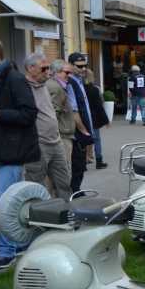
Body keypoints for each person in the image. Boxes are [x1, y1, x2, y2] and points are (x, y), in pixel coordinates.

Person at [0, 36, 40, 270]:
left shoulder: (12, 78)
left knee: (5, 202)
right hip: (4, 149)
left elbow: (29, 114)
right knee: (14, 201)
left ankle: (8, 251)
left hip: (14, 150)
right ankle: (22, 243)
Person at [22, 53, 71, 199]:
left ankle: (66, 213)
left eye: (48, 68)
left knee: (64, 182)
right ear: (31, 68)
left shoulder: (45, 84)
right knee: (36, 184)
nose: (48, 72)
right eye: (43, 69)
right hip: (38, 143)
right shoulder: (23, 87)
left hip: (56, 142)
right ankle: (37, 217)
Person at [66, 54, 95, 193]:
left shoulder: (79, 80)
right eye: (79, 66)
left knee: (80, 163)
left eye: (85, 65)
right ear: (70, 65)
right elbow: (74, 110)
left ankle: (76, 189)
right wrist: (84, 130)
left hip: (83, 127)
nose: (83, 69)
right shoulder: (70, 82)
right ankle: (74, 191)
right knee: (77, 163)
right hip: (76, 130)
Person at [80, 61, 110, 169]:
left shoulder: (79, 88)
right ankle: (99, 161)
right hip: (93, 119)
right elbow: (99, 106)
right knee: (96, 140)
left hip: (82, 118)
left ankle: (83, 163)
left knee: (83, 140)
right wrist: (106, 120)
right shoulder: (94, 89)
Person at [49, 60, 77, 170]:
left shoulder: (61, 86)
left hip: (63, 134)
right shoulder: (55, 88)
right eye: (67, 73)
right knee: (63, 171)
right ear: (57, 72)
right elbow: (53, 114)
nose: (69, 76)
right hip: (61, 136)